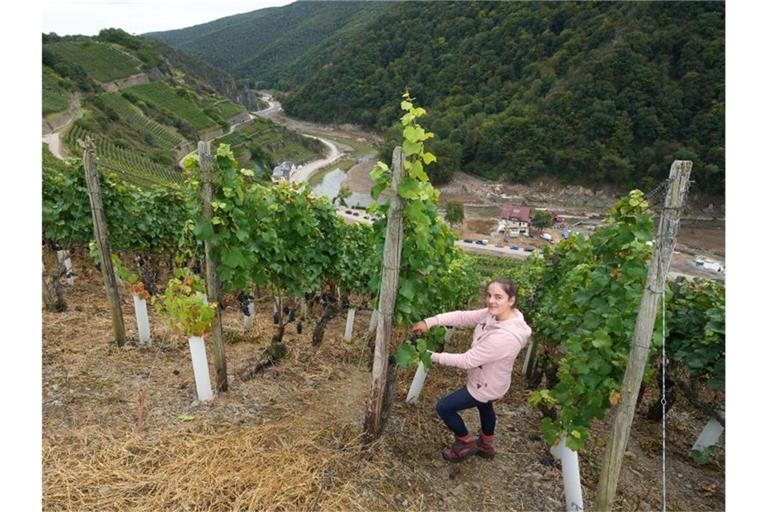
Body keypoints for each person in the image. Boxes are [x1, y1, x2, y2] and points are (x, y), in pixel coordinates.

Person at [412, 278, 532, 463]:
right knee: (485, 406)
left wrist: (427, 355)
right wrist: (430, 322)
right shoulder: (495, 315)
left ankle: (465, 442)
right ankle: (485, 444)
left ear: (511, 300)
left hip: (485, 385)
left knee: (444, 407)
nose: (491, 301)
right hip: (495, 381)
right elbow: (463, 317)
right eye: (489, 295)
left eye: (498, 297)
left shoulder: (505, 337)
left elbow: (467, 360)